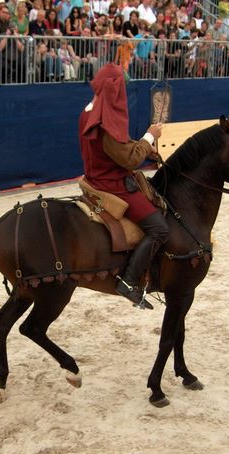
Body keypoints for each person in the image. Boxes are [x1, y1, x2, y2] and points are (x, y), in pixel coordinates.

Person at [79, 63, 167, 309]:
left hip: (95, 177)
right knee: (159, 229)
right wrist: (149, 137)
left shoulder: (90, 110)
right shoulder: (105, 120)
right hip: (113, 185)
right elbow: (128, 160)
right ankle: (128, 281)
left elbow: (119, 147)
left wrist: (144, 148)